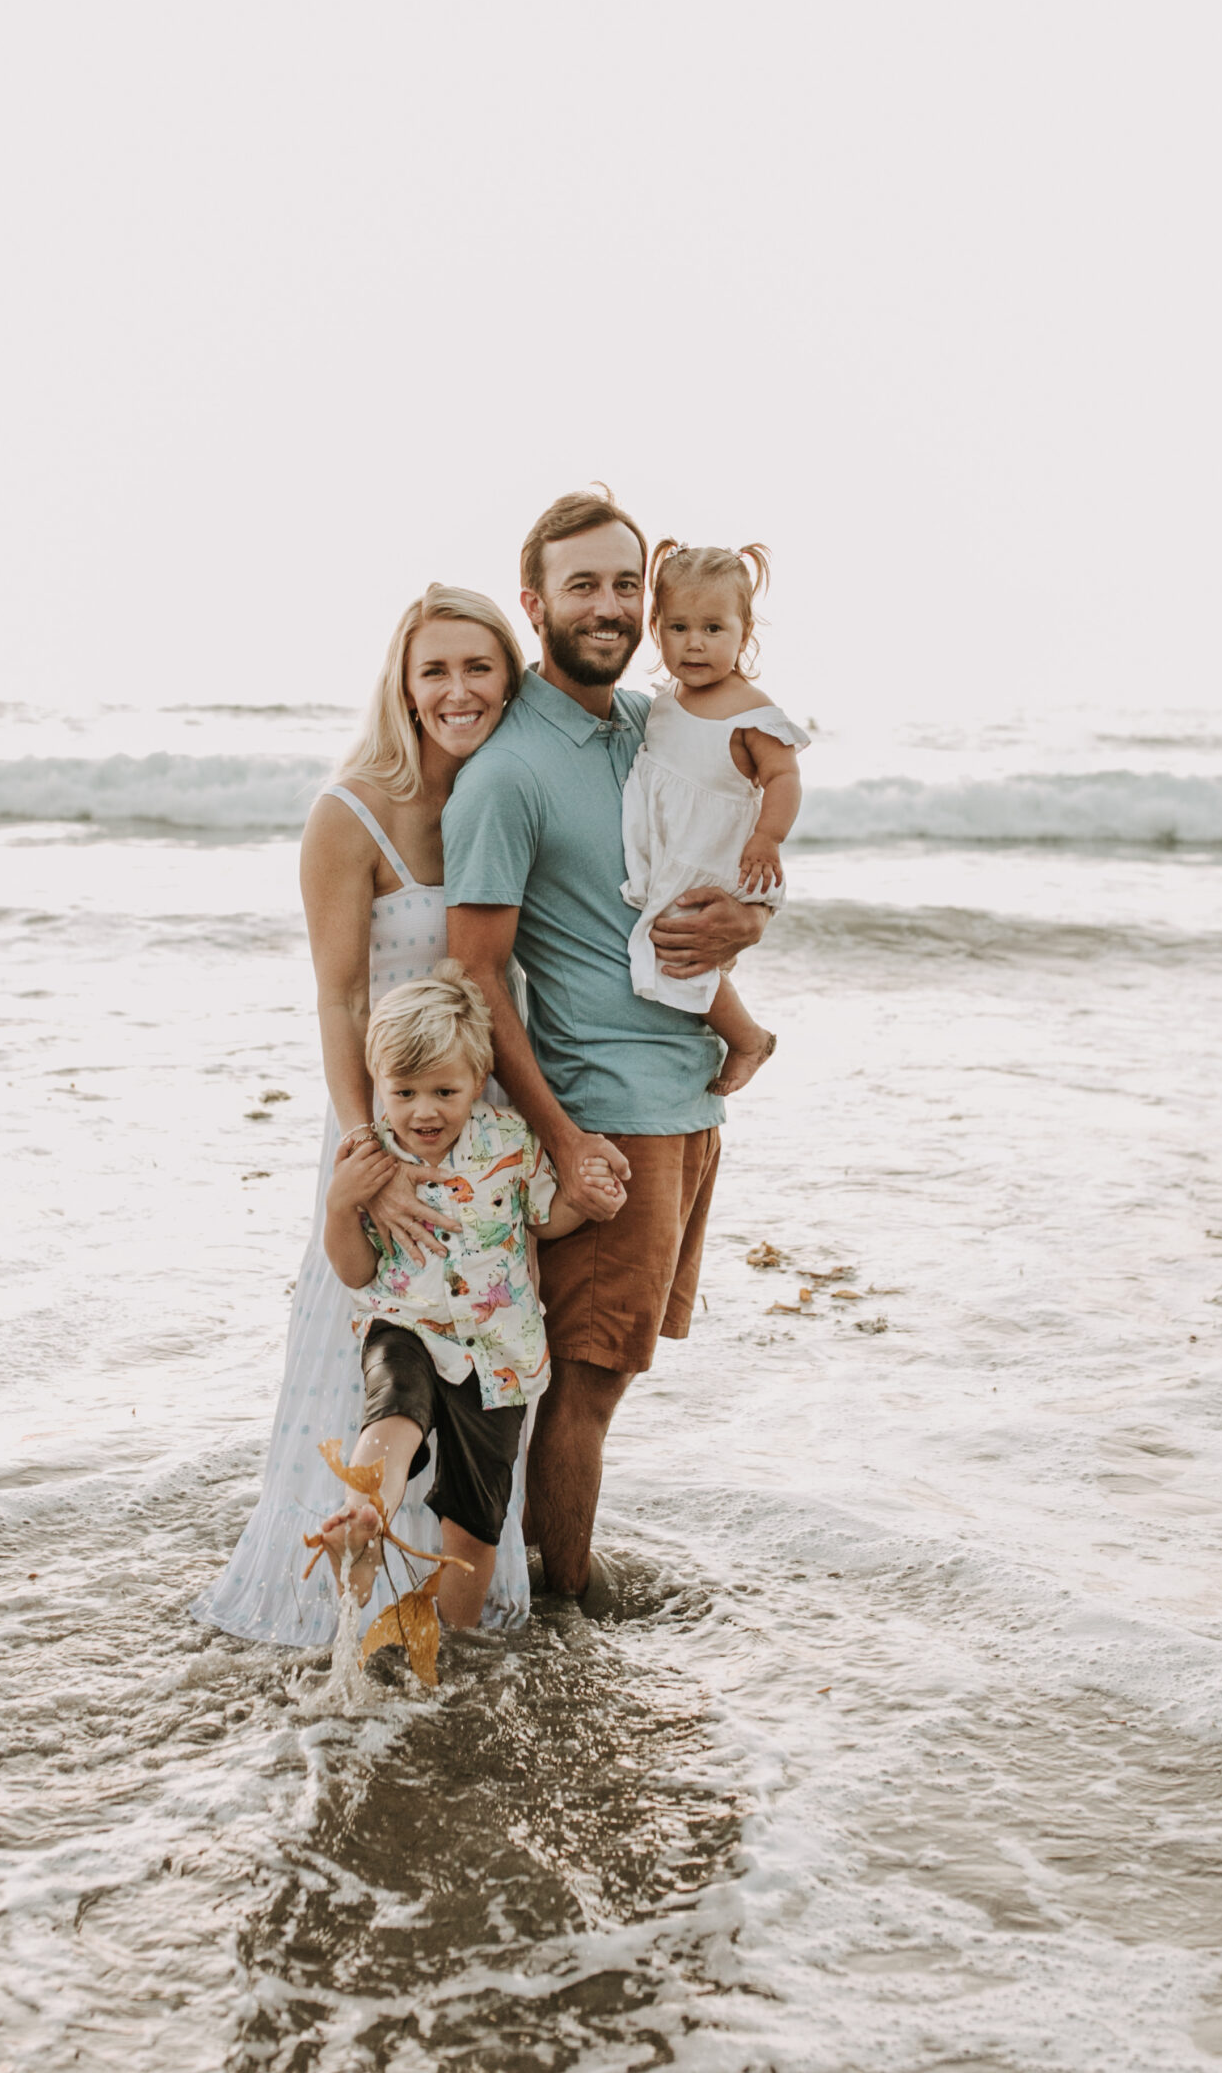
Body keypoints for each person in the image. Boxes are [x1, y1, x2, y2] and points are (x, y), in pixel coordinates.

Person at [444, 487, 775, 1608]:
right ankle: (567, 1617)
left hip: (687, 1096)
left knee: (615, 1373)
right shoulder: (506, 772)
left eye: (626, 583)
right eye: (582, 583)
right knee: (581, 1382)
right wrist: (565, 1137)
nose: (612, 605)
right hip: (609, 1116)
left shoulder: (653, 727)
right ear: (534, 601)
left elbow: (728, 855)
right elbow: (476, 972)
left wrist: (751, 920)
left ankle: (556, 1587)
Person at [191, 583, 530, 1650]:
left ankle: (450, 1610)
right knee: (374, 1360)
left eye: (480, 667)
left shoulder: (503, 796)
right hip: (382, 1128)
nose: (458, 689)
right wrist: (366, 1148)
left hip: (482, 1136)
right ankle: (334, 1600)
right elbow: (339, 996)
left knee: (481, 1363)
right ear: (403, 681)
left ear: (509, 678)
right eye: (435, 669)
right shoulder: (349, 813)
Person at [311, 963, 612, 1628]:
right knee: (393, 1411)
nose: (423, 1110)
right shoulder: (373, 1158)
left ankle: (457, 1641)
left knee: (476, 1517)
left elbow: (544, 1217)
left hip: (497, 1351)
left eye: (444, 1091)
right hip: (404, 1324)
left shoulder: (511, 1143)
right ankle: (364, 1516)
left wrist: (583, 1204)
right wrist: (340, 1206)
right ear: (378, 1087)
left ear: (478, 1082)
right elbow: (356, 1270)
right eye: (403, 1091)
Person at [620, 540, 808, 1091]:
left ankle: (749, 1038)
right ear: (656, 628)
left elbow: (784, 777)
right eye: (678, 627)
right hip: (674, 849)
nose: (694, 644)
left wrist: (768, 837)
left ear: (743, 634)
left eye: (713, 629)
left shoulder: (750, 710)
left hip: (714, 855)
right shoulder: (664, 703)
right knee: (670, 947)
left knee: (679, 943)